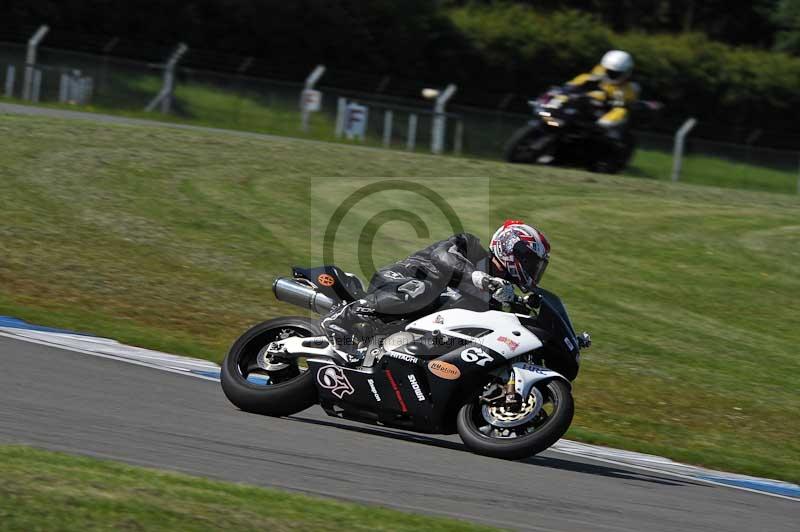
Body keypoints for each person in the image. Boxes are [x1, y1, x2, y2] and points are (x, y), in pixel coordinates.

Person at [321, 220, 550, 361]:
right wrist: (478, 277)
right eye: (530, 262)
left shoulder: (497, 295)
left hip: (412, 323)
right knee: (423, 289)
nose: (532, 270)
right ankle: (343, 317)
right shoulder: (471, 246)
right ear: (510, 248)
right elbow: (443, 256)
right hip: (402, 277)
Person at [565, 50, 639, 138]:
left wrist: (603, 123)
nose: (610, 74)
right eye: (608, 71)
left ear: (626, 72)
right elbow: (568, 88)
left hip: (600, 120)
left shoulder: (628, 89)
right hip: (579, 111)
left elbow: (620, 110)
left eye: (615, 73)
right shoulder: (589, 77)